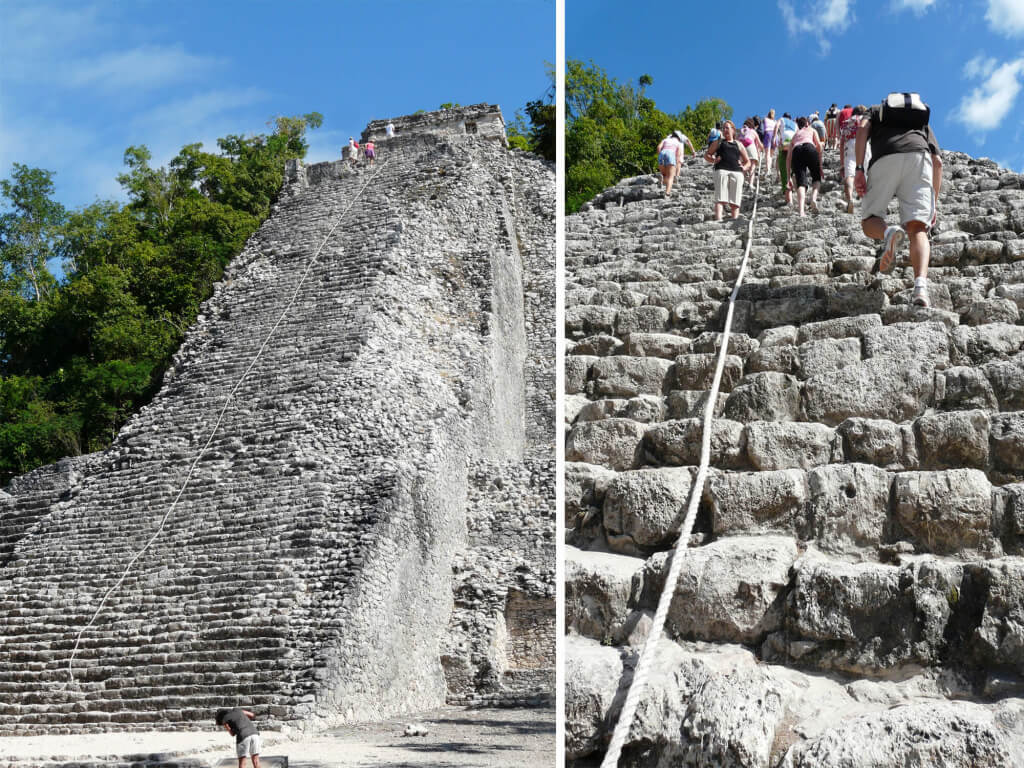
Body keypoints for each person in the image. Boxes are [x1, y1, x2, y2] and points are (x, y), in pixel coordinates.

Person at [854, 93, 943, 307]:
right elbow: (937, 161)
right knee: (918, 229)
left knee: (869, 221)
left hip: (885, 156)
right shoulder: (920, 120)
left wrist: (859, 168)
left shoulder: (875, 110)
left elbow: (862, 130)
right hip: (918, 158)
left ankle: (888, 233)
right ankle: (920, 288)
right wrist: (933, 202)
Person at [705, 120, 752, 220]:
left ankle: (734, 220)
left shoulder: (738, 144)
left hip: (737, 172)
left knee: (735, 201)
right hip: (721, 170)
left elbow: (748, 161)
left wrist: (744, 167)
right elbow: (707, 155)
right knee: (720, 198)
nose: (725, 130)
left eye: (727, 128)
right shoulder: (719, 142)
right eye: (724, 128)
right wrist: (714, 160)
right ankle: (719, 220)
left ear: (733, 130)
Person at [787, 116, 824, 216]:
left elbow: (788, 158)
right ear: (807, 123)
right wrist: (820, 166)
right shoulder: (811, 130)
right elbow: (819, 146)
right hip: (809, 147)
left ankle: (801, 211)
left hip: (796, 151)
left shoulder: (795, 135)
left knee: (801, 183)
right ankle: (813, 199)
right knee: (816, 178)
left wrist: (788, 177)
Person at [839, 105, 870, 214]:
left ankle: (850, 200)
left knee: (850, 175)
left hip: (849, 145)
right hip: (863, 144)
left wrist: (842, 164)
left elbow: (841, 143)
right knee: (867, 172)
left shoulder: (846, 122)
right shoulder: (865, 119)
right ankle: (868, 201)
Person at [656, 130, 693, 197]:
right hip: (671, 154)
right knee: (671, 176)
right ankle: (667, 193)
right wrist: (675, 165)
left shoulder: (665, 140)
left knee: (665, 174)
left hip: (662, 153)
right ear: (679, 138)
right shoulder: (678, 143)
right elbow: (678, 155)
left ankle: (663, 178)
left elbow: (658, 147)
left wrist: (659, 155)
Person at [762, 109, 778, 174]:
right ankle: (770, 169)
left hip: (768, 134)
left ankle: (768, 169)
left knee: (767, 153)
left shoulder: (765, 119)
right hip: (775, 135)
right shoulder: (775, 121)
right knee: (771, 154)